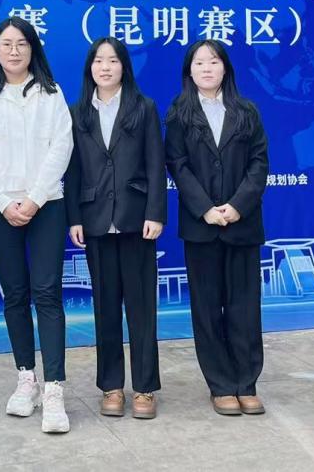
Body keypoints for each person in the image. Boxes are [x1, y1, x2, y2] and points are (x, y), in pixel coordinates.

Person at [0, 16, 74, 434]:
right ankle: (26, 378)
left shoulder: (52, 92)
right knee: (15, 293)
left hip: (46, 205)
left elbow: (61, 147)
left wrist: (33, 199)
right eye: (6, 44)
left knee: (47, 292)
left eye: (22, 44)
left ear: (33, 49)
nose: (14, 51)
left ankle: (54, 388)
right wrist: (3, 201)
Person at [164, 40, 269, 417]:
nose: (206, 68)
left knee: (244, 307)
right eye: (199, 63)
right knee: (207, 308)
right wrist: (205, 208)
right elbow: (177, 165)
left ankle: (247, 383)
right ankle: (221, 385)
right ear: (189, 71)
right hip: (201, 227)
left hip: (243, 225)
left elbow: (259, 163)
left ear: (226, 68)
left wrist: (237, 206)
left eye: (213, 62)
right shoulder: (179, 113)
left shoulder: (246, 111)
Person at [66, 37, 165, 421]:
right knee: (105, 309)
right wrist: (75, 218)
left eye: (112, 61)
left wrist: (155, 213)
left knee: (142, 310)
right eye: (98, 61)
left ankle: (144, 388)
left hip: (136, 221)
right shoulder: (78, 112)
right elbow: (73, 171)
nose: (105, 67)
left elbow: (156, 164)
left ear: (124, 66)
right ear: (89, 68)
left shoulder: (143, 107)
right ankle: (110, 386)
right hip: (95, 222)